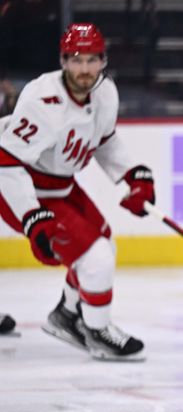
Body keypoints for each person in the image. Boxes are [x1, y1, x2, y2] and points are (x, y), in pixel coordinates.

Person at [0, 23, 154, 361]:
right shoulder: (43, 99)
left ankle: (68, 316)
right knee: (94, 257)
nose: (84, 69)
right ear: (63, 61)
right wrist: (31, 218)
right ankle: (97, 331)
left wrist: (132, 174)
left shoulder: (106, 93)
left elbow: (105, 140)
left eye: (91, 60)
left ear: (103, 61)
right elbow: (7, 162)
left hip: (59, 184)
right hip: (16, 181)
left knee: (103, 244)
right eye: (76, 60)